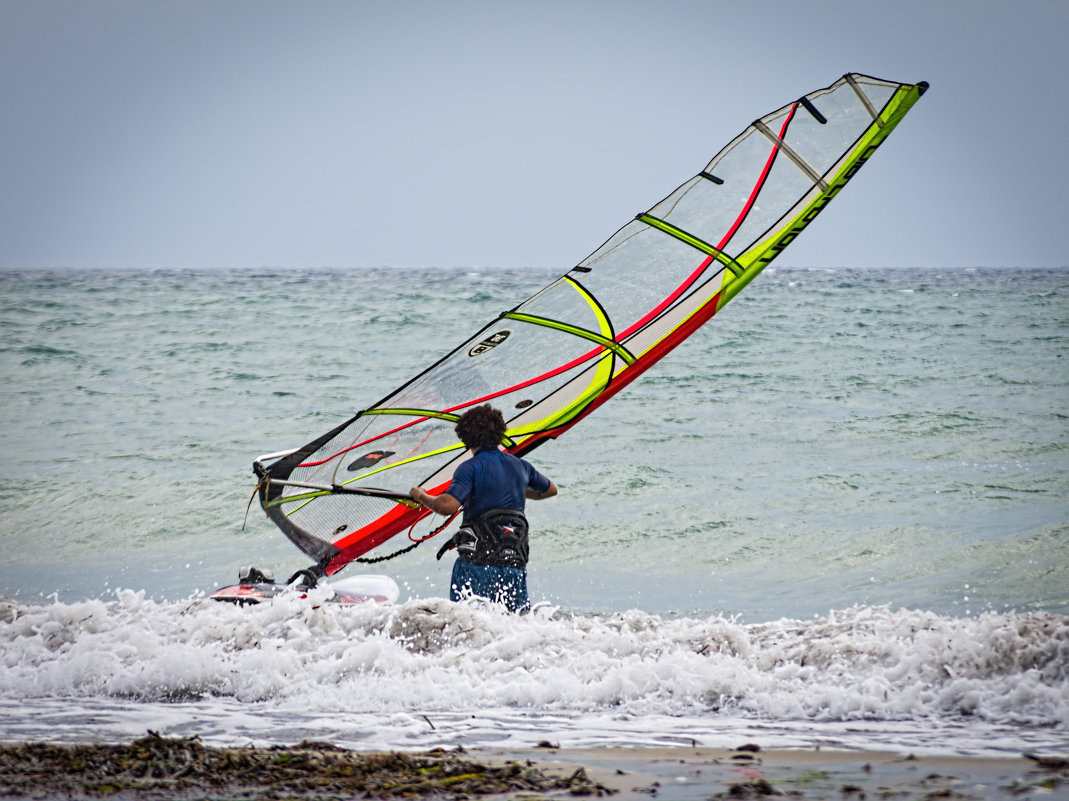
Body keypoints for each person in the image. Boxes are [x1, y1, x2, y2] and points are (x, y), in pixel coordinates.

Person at [409, 404, 557, 612]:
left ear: (465, 437)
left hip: (477, 565)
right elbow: (550, 490)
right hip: (514, 566)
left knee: (467, 625)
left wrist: (421, 495)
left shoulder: (470, 468)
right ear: (499, 433)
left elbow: (448, 506)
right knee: (515, 625)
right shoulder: (521, 466)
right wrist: (516, 488)